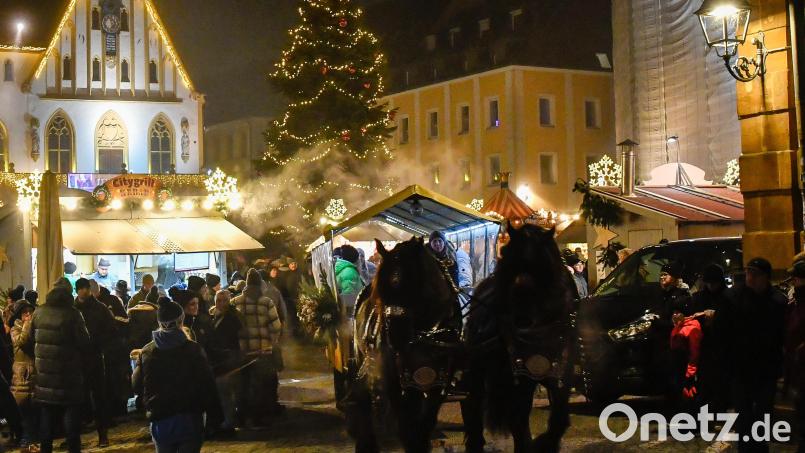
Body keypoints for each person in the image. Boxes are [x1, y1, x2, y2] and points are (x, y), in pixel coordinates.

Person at [132, 296, 222, 452]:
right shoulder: (193, 349)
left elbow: (137, 385)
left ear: (159, 323)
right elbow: (207, 384)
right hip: (189, 417)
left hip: (160, 419)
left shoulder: (147, 351)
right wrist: (216, 415)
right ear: (181, 320)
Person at [724, 257, 786, 453]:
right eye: (748, 273)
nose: (750, 277)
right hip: (741, 368)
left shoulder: (777, 301)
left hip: (765, 369)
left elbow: (781, 335)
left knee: (762, 415)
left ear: (765, 277)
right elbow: (723, 332)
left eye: (755, 274)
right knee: (743, 415)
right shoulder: (734, 297)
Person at [27, 286, 91, 453]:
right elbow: (84, 342)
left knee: (46, 418)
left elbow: (29, 339)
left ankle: (46, 450)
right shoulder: (73, 314)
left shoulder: (38, 313)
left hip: (45, 377)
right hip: (68, 376)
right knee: (71, 419)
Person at [232, 269, 283, 425]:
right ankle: (257, 418)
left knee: (242, 385)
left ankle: (241, 415)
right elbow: (276, 326)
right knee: (260, 385)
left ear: (246, 284)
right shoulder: (267, 302)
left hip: (242, 351)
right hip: (262, 351)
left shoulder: (235, 302)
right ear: (260, 284)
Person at [75, 278, 115, 447]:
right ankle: (74, 437)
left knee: (99, 398)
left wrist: (100, 345)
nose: (84, 291)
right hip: (76, 360)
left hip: (95, 358)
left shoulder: (100, 308)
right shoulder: (72, 309)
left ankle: (102, 435)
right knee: (77, 399)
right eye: (81, 289)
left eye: (85, 288)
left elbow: (112, 330)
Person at [690, 263, 731, 412]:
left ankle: (719, 411)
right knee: (705, 383)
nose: (711, 286)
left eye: (714, 283)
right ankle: (706, 413)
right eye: (708, 282)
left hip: (722, 347)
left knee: (720, 383)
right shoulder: (699, 298)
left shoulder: (728, 298)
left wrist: (717, 318)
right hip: (705, 347)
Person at [208, 290, 243, 437]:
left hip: (229, 358)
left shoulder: (233, 317)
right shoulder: (213, 316)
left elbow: (236, 338)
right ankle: (226, 420)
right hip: (219, 359)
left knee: (226, 392)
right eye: (218, 301)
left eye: (224, 300)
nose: (221, 303)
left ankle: (229, 422)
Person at [9, 300, 34, 448]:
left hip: (34, 372)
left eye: (31, 312)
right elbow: (22, 341)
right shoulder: (15, 329)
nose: (29, 315)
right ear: (19, 315)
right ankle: (25, 439)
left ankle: (32, 439)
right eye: (25, 313)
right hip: (22, 375)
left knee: (35, 409)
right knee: (23, 408)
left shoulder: (34, 327)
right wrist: (26, 325)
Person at [669, 300, 702, 409]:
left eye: (677, 312)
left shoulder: (692, 327)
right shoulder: (679, 325)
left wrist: (690, 373)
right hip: (678, 366)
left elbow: (694, 352)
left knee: (690, 394)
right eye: (674, 312)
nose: (674, 315)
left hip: (686, 367)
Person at [127, 286, 160, 355]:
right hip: (148, 349)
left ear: (146, 300)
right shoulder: (157, 314)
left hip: (132, 347)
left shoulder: (132, 311)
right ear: (157, 302)